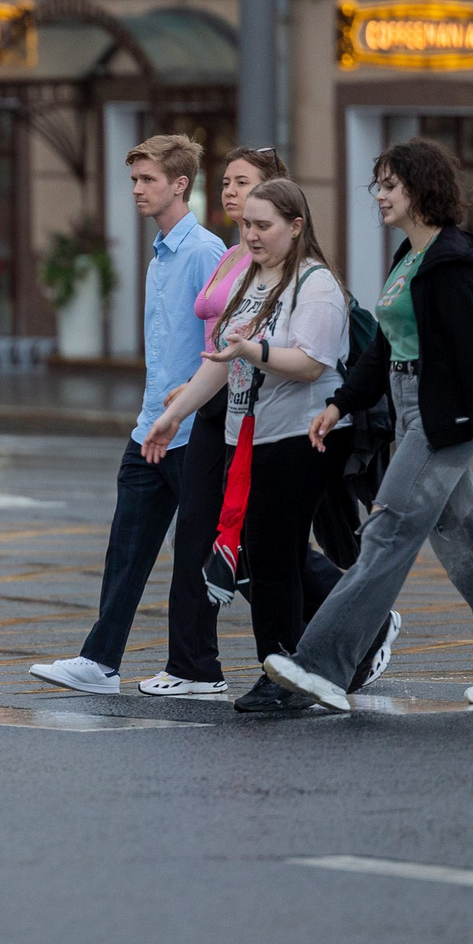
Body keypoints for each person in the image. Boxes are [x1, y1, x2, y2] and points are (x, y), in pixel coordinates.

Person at [262, 138, 473, 712]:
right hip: (414, 403)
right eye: (379, 185)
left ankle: (322, 664)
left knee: (388, 530)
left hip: (445, 419)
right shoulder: (410, 258)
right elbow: (385, 348)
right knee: (469, 545)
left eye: (390, 186)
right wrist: (342, 404)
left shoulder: (451, 263)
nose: (380, 197)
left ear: (421, 191)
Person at [146, 179, 394, 714]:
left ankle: (285, 673)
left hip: (304, 435)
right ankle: (298, 664)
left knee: (272, 554)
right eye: (246, 225)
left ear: (296, 226)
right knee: (263, 555)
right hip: (249, 436)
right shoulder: (251, 279)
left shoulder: (317, 284)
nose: (251, 236)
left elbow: (311, 362)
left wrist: (252, 349)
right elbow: (221, 361)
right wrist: (172, 417)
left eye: (264, 226)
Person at [27, 133, 227, 696]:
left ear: (180, 185)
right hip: (152, 430)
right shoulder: (161, 254)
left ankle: (344, 625)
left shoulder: (204, 253)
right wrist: (149, 419)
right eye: (134, 179)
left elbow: (219, 347)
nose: (137, 190)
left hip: (193, 435)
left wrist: (182, 410)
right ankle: (100, 661)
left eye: (148, 180)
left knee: (230, 557)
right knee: (127, 551)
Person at [137, 146, 288, 696]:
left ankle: (346, 626)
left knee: (254, 541)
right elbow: (217, 340)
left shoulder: (274, 265)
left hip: (253, 406)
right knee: (197, 535)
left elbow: (262, 347)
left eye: (242, 182)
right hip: (210, 399)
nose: (228, 191)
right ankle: (193, 666)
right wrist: (179, 401)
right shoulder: (229, 255)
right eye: (226, 182)